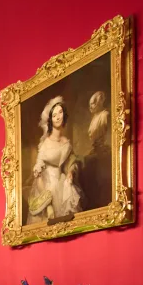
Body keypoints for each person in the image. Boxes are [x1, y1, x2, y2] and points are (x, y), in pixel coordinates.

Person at [27, 96, 83, 224]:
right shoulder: (45, 144)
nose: (58, 117)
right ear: (50, 120)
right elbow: (38, 176)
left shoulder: (67, 144)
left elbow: (71, 163)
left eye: (60, 112)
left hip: (62, 184)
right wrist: (48, 205)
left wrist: (70, 172)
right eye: (54, 115)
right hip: (46, 188)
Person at [82, 91, 112, 210]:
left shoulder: (105, 115)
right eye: (90, 104)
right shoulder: (95, 117)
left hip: (102, 148)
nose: (91, 107)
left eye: (93, 104)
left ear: (99, 103)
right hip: (95, 148)